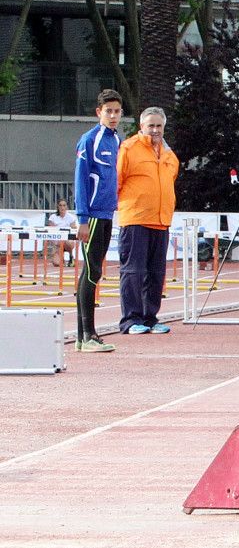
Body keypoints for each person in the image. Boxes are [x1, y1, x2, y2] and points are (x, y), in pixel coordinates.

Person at [115, 107, 179, 335]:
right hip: (135, 219)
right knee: (133, 271)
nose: (154, 130)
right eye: (150, 125)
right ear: (141, 126)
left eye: (159, 126)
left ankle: (150, 318)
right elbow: (117, 181)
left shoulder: (168, 154)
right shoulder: (129, 149)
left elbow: (169, 179)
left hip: (161, 221)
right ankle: (130, 320)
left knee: (156, 273)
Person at [74, 89, 124, 353]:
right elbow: (80, 180)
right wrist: (82, 217)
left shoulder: (115, 140)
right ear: (99, 113)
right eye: (109, 111)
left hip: (107, 213)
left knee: (93, 271)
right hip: (92, 215)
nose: (113, 116)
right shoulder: (89, 140)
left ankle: (85, 337)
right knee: (92, 271)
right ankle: (87, 334)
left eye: (117, 111)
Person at [45, 198, 78, 268]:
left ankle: (71, 256)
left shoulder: (71, 217)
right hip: (57, 243)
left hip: (68, 242)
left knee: (68, 242)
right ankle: (61, 257)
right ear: (58, 206)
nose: (62, 207)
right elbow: (50, 232)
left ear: (67, 207)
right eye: (60, 205)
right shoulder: (53, 217)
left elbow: (74, 231)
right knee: (56, 264)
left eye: (64, 205)